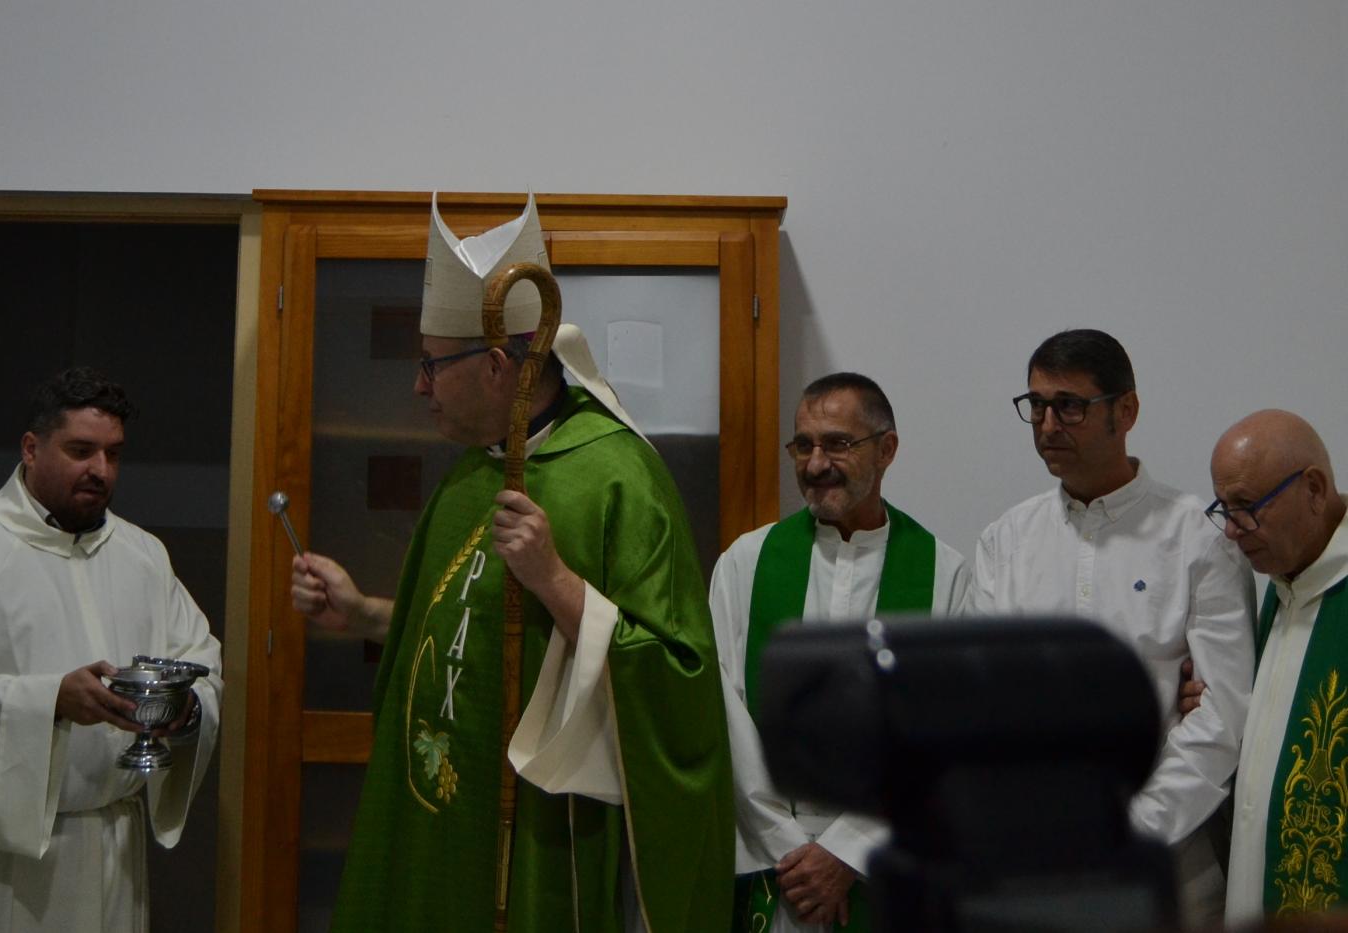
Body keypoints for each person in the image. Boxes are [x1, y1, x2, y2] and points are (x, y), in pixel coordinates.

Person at [290, 194, 734, 931]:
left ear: (498, 365)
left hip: (542, 834)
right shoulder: (473, 473)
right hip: (443, 822)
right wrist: (364, 611)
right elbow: (474, 627)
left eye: (431, 365)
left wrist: (557, 580)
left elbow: (679, 677)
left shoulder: (617, 478)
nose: (417, 386)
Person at [972, 328, 1255, 927]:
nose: (1048, 425)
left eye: (1069, 405)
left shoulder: (1197, 538)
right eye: (1036, 406)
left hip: (1163, 865)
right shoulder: (1007, 539)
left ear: (1125, 411)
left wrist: (1134, 829)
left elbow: (1223, 714)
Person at [0, 367, 222, 932]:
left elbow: (201, 660)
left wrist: (187, 709)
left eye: (113, 454)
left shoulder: (143, 555)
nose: (100, 471)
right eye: (80, 451)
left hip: (115, 847)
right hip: (12, 867)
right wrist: (50, 700)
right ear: (31, 448)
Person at [709, 372, 971, 932]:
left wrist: (849, 852)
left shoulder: (946, 575)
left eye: (837, 444)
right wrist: (790, 850)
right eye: (803, 445)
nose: (815, 463)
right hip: (774, 871)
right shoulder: (746, 564)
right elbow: (722, 707)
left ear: (887, 449)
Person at [1204, 410, 1348, 924]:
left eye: (1247, 506)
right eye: (1223, 508)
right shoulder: (1283, 583)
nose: (1231, 531)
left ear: (1313, 488)